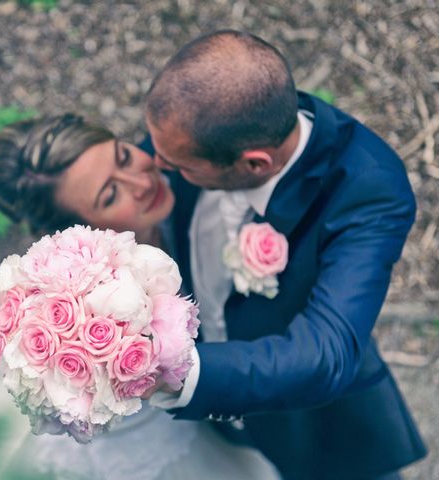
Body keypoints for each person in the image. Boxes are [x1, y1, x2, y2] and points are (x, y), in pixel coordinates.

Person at [142, 29, 427, 479]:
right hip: (213, 427)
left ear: (255, 164)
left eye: (179, 167)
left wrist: (180, 372)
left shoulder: (367, 188)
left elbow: (326, 351)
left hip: (315, 429)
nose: (154, 168)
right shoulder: (201, 128)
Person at [0, 113, 281, 480]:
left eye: (123, 157)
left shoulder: (186, 169)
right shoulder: (96, 309)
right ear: (80, 230)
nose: (142, 180)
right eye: (111, 194)